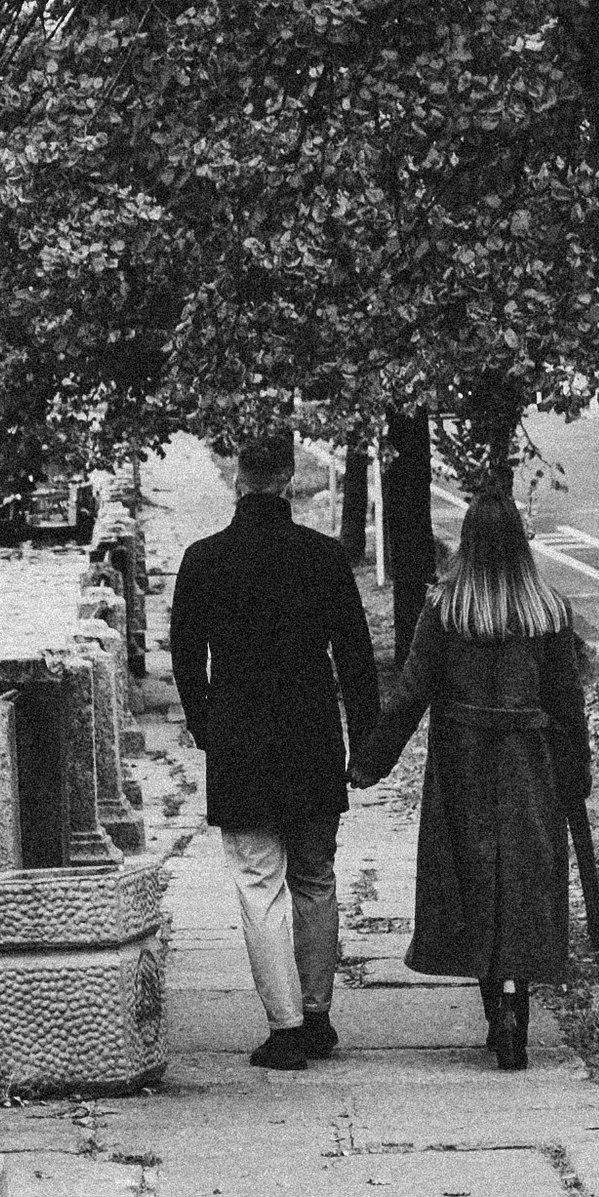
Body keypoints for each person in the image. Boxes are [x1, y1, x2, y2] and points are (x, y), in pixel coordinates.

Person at [349, 491, 588, 1072]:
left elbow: (410, 695)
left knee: (472, 878)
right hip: (529, 762)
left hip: (462, 763)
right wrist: (575, 777)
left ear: (468, 544)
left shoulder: (446, 611)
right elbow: (567, 704)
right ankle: (515, 997)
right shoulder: (548, 613)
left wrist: (371, 761)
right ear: (521, 546)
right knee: (522, 880)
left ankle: (494, 1004)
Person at [170, 421, 380, 1069]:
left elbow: (184, 657)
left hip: (241, 741)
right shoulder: (323, 557)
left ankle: (285, 1026)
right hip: (314, 736)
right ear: (289, 480)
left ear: (239, 479)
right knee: (316, 877)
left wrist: (207, 727)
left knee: (259, 882)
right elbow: (356, 655)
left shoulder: (204, 560)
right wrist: (365, 743)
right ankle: (318, 1015)